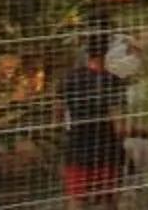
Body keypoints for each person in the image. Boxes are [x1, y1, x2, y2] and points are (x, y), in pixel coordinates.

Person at [58, 29, 131, 204]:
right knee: (110, 200)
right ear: (106, 52)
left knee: (77, 200)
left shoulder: (69, 79)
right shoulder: (112, 81)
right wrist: (140, 132)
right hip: (106, 150)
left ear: (86, 52)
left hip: (77, 148)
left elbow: (58, 113)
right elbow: (119, 127)